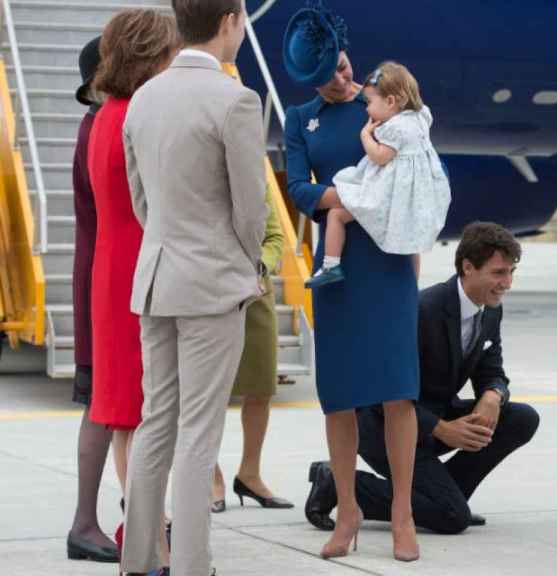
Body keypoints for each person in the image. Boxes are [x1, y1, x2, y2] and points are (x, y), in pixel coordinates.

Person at [119, 1, 267, 574]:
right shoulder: (235, 100)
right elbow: (251, 210)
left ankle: (137, 563)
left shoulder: (144, 98)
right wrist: (248, 262)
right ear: (230, 19)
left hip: (156, 278)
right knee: (198, 433)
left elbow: (141, 201)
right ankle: (191, 566)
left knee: (156, 423)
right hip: (211, 283)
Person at [282, 4, 420, 562]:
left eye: (344, 67)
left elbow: (417, 168)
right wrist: (345, 199)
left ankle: (404, 513)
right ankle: (347, 509)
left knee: (397, 392)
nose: (344, 80)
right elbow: (295, 187)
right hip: (337, 265)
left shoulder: (389, 106)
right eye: (331, 77)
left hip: (388, 260)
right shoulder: (300, 119)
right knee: (337, 397)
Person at [305, 222, 540, 536]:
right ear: (468, 267)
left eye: (511, 272)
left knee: (521, 419)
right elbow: (381, 393)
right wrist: (443, 429)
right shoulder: (421, 311)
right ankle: (336, 481)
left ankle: (445, 498)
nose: (507, 283)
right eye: (499, 273)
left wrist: (492, 396)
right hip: (384, 427)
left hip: (433, 418)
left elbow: (492, 371)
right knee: (451, 518)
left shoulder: (490, 310)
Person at [86, 10, 180, 561]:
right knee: (146, 412)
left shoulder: (106, 115)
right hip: (140, 269)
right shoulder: (136, 118)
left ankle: (145, 527)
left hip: (113, 265)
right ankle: (153, 537)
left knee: (128, 412)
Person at [305, 61, 451, 287]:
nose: (366, 109)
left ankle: (331, 265)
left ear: (391, 102)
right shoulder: (421, 117)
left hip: (388, 191)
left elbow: (380, 157)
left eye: (371, 102)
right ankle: (412, 283)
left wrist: (365, 135)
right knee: (410, 245)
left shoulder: (396, 128)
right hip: (412, 192)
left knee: (336, 215)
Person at [67, 35, 119, 564]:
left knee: (106, 404)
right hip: (103, 281)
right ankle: (84, 521)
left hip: (100, 276)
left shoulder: (95, 126)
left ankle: (95, 518)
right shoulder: (101, 128)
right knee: (102, 404)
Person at [212, 189, 293, 513]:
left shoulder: (256, 181)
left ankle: (249, 474)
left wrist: (259, 268)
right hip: (213, 295)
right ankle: (210, 478)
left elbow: (275, 238)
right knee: (210, 393)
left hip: (256, 294)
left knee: (260, 388)